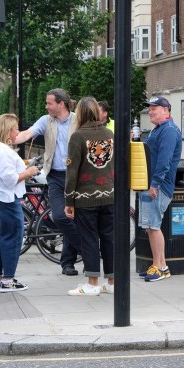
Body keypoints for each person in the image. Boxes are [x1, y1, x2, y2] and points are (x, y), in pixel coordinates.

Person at [15, 88, 82, 276]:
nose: (46, 106)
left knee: (74, 218)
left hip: (76, 175)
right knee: (60, 216)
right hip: (55, 176)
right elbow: (27, 134)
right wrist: (9, 138)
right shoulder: (46, 120)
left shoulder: (78, 119)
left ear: (61, 104)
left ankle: (67, 263)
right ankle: (87, 249)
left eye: (49, 103)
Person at [0, 114, 40, 293]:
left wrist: (25, 164)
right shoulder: (5, 152)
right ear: (8, 132)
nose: (18, 131)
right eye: (15, 128)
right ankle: (8, 279)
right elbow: (10, 179)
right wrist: (29, 171)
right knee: (12, 237)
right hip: (6, 198)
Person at [64, 97, 115, 296]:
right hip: (109, 195)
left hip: (85, 197)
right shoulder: (109, 134)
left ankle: (92, 282)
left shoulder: (78, 137)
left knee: (89, 239)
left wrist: (69, 200)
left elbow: (72, 172)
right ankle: (112, 281)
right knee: (109, 238)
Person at [139, 96, 183, 282]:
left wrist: (155, 184)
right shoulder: (160, 129)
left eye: (154, 108)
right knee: (150, 226)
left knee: (154, 226)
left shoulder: (169, 131)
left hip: (157, 186)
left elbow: (164, 162)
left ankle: (159, 266)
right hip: (150, 184)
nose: (150, 111)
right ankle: (160, 265)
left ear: (166, 110)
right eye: (149, 108)